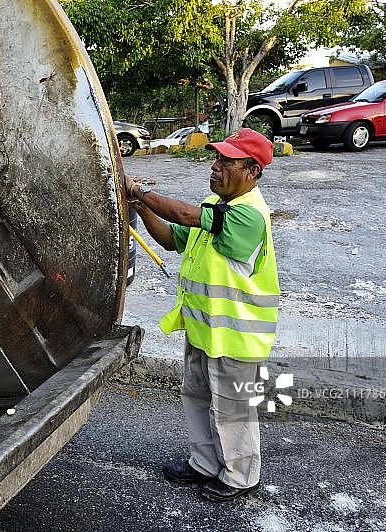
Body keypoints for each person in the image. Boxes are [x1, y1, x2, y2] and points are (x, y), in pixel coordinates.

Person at [124, 128, 280, 502]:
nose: (216, 166)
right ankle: (204, 463)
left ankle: (241, 476)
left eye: (228, 161)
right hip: (204, 329)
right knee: (196, 395)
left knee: (232, 407)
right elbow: (170, 236)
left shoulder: (249, 215)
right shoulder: (216, 204)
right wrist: (142, 208)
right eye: (217, 158)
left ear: (252, 171)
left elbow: (182, 214)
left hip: (236, 337)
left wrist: (139, 191)